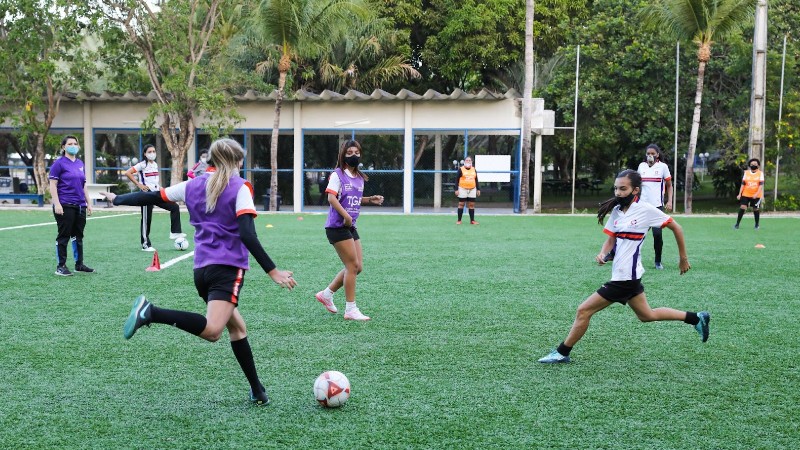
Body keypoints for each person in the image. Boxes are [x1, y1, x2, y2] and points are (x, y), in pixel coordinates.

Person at [101, 138, 297, 406]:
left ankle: (257, 389)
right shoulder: (240, 187)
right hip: (227, 270)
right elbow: (247, 234)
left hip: (201, 271)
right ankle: (151, 312)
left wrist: (118, 198)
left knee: (238, 328)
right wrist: (272, 271)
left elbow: (152, 196)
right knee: (214, 331)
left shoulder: (192, 184)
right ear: (237, 161)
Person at [538, 169, 710, 364]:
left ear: (635, 190)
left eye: (623, 189)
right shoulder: (618, 211)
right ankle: (696, 318)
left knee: (583, 310)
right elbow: (611, 239)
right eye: (616, 189)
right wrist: (603, 253)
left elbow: (676, 227)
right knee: (647, 315)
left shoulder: (646, 210)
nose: (618, 193)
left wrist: (683, 259)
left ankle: (562, 352)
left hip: (625, 278)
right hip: (627, 275)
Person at [314, 139, 384, 321]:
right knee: (352, 266)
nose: (354, 156)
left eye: (357, 153)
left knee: (357, 267)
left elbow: (352, 198)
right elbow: (332, 198)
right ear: (343, 155)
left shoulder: (360, 177)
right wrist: (345, 216)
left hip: (350, 226)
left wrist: (370, 199)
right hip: (337, 227)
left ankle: (327, 294)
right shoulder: (337, 175)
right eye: (350, 153)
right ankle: (350, 309)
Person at [48, 135, 95, 276]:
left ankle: (79, 264)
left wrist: (89, 202)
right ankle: (60, 266)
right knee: (64, 236)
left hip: (80, 205)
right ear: (63, 147)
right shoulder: (59, 164)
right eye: (70, 143)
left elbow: (84, 185)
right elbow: (53, 184)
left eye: (75, 143)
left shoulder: (80, 163)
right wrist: (57, 204)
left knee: (78, 236)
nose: (73, 145)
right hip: (65, 204)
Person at [124, 144, 185, 251]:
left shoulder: (155, 164)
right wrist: (139, 185)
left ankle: (175, 232)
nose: (152, 154)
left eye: (153, 151)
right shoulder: (142, 165)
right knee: (146, 220)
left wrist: (162, 189)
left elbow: (154, 182)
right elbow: (128, 173)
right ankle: (145, 244)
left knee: (174, 207)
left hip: (156, 193)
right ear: (145, 154)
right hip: (146, 195)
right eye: (149, 152)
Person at [636, 144, 673, 269]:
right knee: (636, 233)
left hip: (657, 207)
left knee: (657, 235)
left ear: (657, 154)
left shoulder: (662, 167)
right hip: (642, 206)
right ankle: (626, 257)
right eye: (648, 153)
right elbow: (636, 184)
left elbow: (669, 185)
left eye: (652, 153)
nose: (650, 155)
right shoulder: (641, 166)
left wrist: (670, 201)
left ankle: (658, 261)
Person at [734, 158, 764, 230]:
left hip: (756, 195)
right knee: (742, 207)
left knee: (755, 209)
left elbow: (761, 185)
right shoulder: (746, 173)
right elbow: (743, 184)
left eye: (755, 164)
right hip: (746, 193)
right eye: (752, 164)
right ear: (749, 165)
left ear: (758, 166)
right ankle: (737, 224)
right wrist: (739, 194)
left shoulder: (760, 173)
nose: (753, 165)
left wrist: (756, 194)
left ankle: (757, 225)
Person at [454, 156, 480, 225]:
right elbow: (456, 180)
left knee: (471, 205)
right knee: (461, 204)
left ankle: (472, 220)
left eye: (469, 160)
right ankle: (459, 220)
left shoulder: (474, 169)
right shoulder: (461, 169)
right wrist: (456, 189)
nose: (468, 161)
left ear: (472, 162)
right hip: (462, 189)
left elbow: (476, 179)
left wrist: (478, 189)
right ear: (464, 161)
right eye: (467, 160)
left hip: (472, 189)